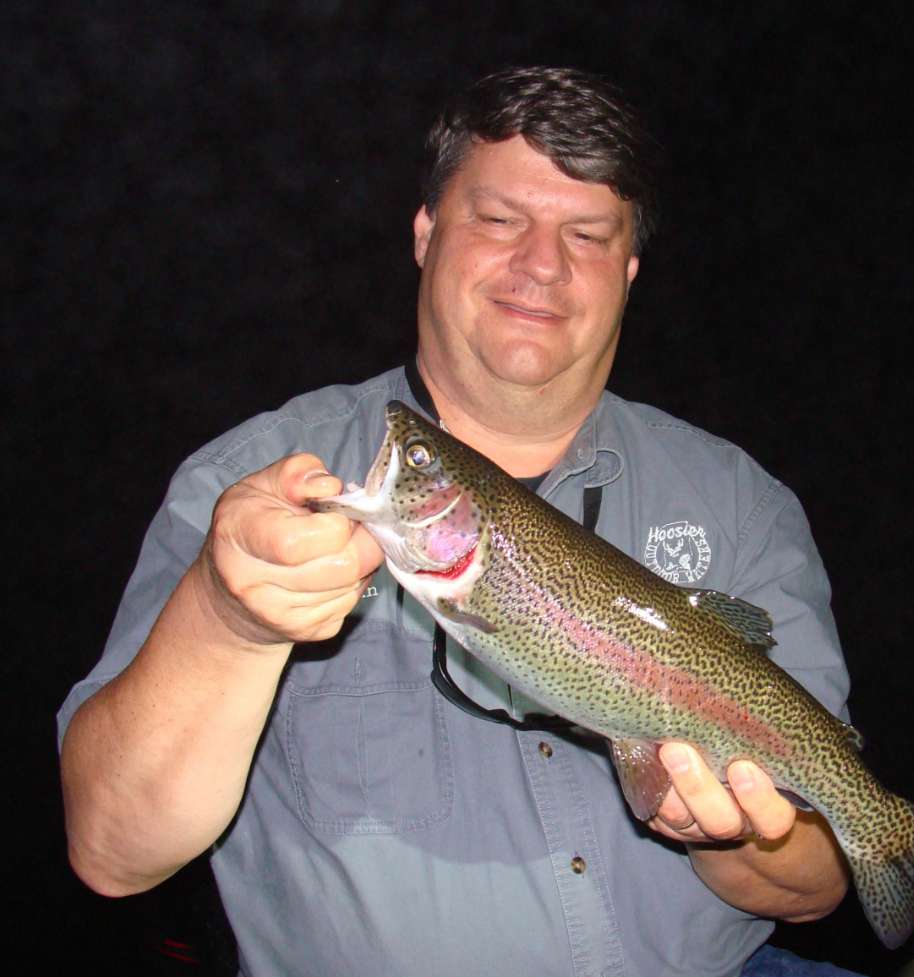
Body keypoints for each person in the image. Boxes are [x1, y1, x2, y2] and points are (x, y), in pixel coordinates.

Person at [59, 67, 862, 976]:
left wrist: (729, 832)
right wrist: (226, 617)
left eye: (588, 234)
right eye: (498, 218)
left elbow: (822, 878)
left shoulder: (739, 500)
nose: (542, 264)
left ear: (629, 272)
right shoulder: (256, 481)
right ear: (424, 231)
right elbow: (112, 851)